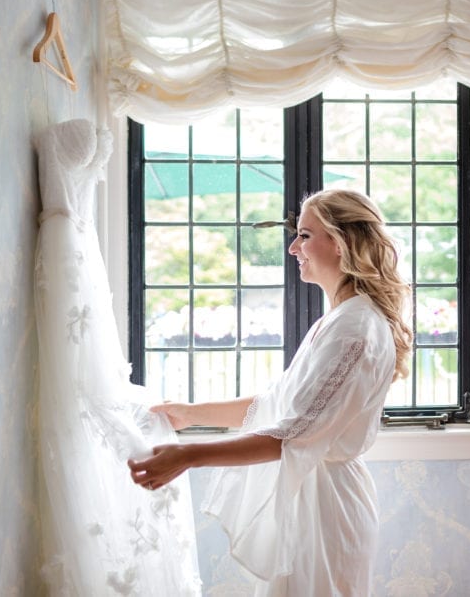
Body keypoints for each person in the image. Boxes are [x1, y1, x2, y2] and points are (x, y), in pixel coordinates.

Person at [128, 188, 412, 596]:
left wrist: (189, 456)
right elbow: (274, 406)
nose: (294, 247)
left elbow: (292, 434)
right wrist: (190, 414)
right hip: (310, 497)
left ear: (339, 241)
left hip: (326, 509)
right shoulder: (337, 320)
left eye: (305, 235)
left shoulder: (355, 329)